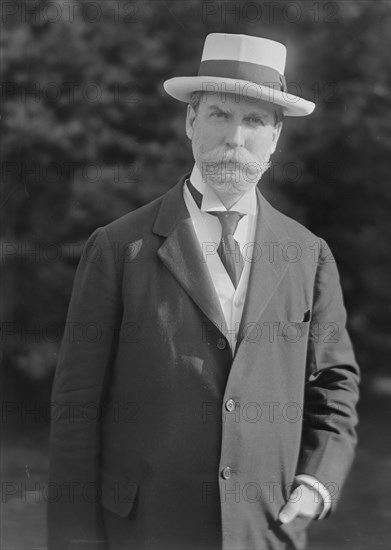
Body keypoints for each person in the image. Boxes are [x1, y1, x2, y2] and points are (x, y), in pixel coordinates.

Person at [48, 33, 360, 550]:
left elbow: (335, 383)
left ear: (276, 136)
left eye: (255, 121)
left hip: (264, 531)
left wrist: (315, 484)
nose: (235, 137)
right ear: (190, 122)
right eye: (219, 115)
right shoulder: (117, 246)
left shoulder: (308, 253)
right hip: (143, 532)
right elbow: (76, 407)